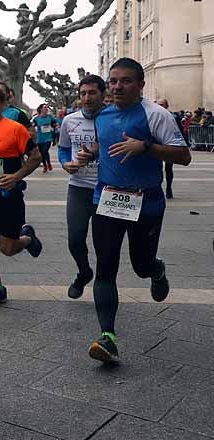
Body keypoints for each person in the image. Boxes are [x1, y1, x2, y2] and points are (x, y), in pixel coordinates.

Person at [76, 58, 191, 365]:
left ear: (141, 85)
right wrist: (92, 154)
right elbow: (107, 144)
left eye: (125, 81)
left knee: (140, 265)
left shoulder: (157, 115)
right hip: (108, 199)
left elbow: (184, 156)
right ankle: (107, 337)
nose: (117, 87)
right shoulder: (102, 115)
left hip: (147, 202)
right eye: (113, 81)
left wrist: (146, 147)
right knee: (105, 266)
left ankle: (156, 269)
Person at [0, 86, 44, 306]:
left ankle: (27, 239)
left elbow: (35, 157)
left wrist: (16, 176)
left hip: (8, 196)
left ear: (3, 104)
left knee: (7, 248)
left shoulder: (15, 129)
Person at [58, 75, 105, 300]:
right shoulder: (69, 121)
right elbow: (63, 149)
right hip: (78, 187)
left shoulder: (113, 118)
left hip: (107, 188)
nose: (87, 98)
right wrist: (65, 163)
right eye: (83, 93)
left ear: (103, 95)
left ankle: (105, 287)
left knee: (103, 242)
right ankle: (84, 272)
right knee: (75, 238)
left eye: (92, 93)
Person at [155, 98, 176, 198]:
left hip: (168, 145)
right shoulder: (153, 116)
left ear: (167, 106)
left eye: (162, 105)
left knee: (168, 167)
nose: (160, 106)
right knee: (155, 167)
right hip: (155, 145)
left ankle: (168, 187)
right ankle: (157, 187)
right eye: (158, 104)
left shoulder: (172, 116)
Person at [33, 104, 58, 172]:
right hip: (40, 138)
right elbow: (32, 126)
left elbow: (55, 125)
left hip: (48, 138)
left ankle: (49, 163)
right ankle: (45, 165)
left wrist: (56, 126)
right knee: (42, 153)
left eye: (47, 107)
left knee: (45, 151)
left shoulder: (50, 118)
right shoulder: (36, 118)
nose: (46, 109)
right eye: (45, 107)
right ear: (41, 109)